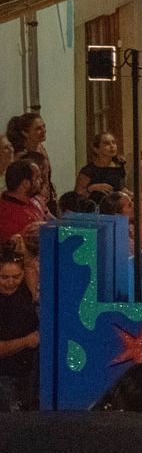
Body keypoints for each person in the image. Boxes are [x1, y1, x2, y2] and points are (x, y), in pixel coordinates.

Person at [0, 253, 38, 411]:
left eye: (16, 277)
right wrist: (26, 341)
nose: (10, 282)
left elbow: (30, 267)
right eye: (4, 277)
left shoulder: (25, 291)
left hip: (29, 370)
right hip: (4, 374)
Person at [0, 162, 43, 246]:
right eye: (37, 178)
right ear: (25, 183)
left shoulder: (34, 201)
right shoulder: (6, 213)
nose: (41, 181)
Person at [75, 131, 126, 197]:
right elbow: (77, 195)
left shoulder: (119, 166)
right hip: (95, 205)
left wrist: (129, 193)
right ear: (96, 149)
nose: (112, 146)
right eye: (107, 143)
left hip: (114, 205)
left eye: (114, 142)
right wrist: (91, 188)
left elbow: (122, 187)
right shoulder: (88, 170)